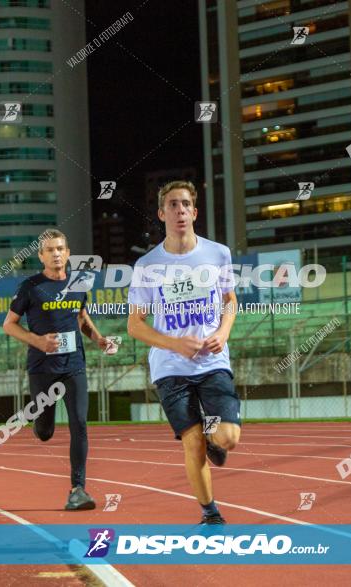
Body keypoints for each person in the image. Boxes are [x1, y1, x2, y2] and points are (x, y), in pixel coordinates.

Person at [127, 180, 241, 525]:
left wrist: (222, 332)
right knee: (192, 443)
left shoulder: (218, 253)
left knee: (228, 437)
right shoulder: (148, 265)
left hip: (212, 361)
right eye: (173, 205)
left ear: (195, 211)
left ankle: (214, 439)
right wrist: (175, 343)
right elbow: (135, 325)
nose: (180, 210)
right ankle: (210, 514)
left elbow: (230, 302)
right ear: (162, 213)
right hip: (170, 366)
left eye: (186, 204)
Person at [3, 229, 113, 511]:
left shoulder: (78, 284)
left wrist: (98, 339)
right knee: (46, 431)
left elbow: (81, 317)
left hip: (74, 366)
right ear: (41, 256)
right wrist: (38, 340)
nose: (56, 254)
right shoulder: (31, 286)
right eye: (50, 250)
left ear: (67, 252)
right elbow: (9, 324)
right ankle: (39, 425)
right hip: (42, 369)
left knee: (79, 422)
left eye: (60, 248)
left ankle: (78, 489)